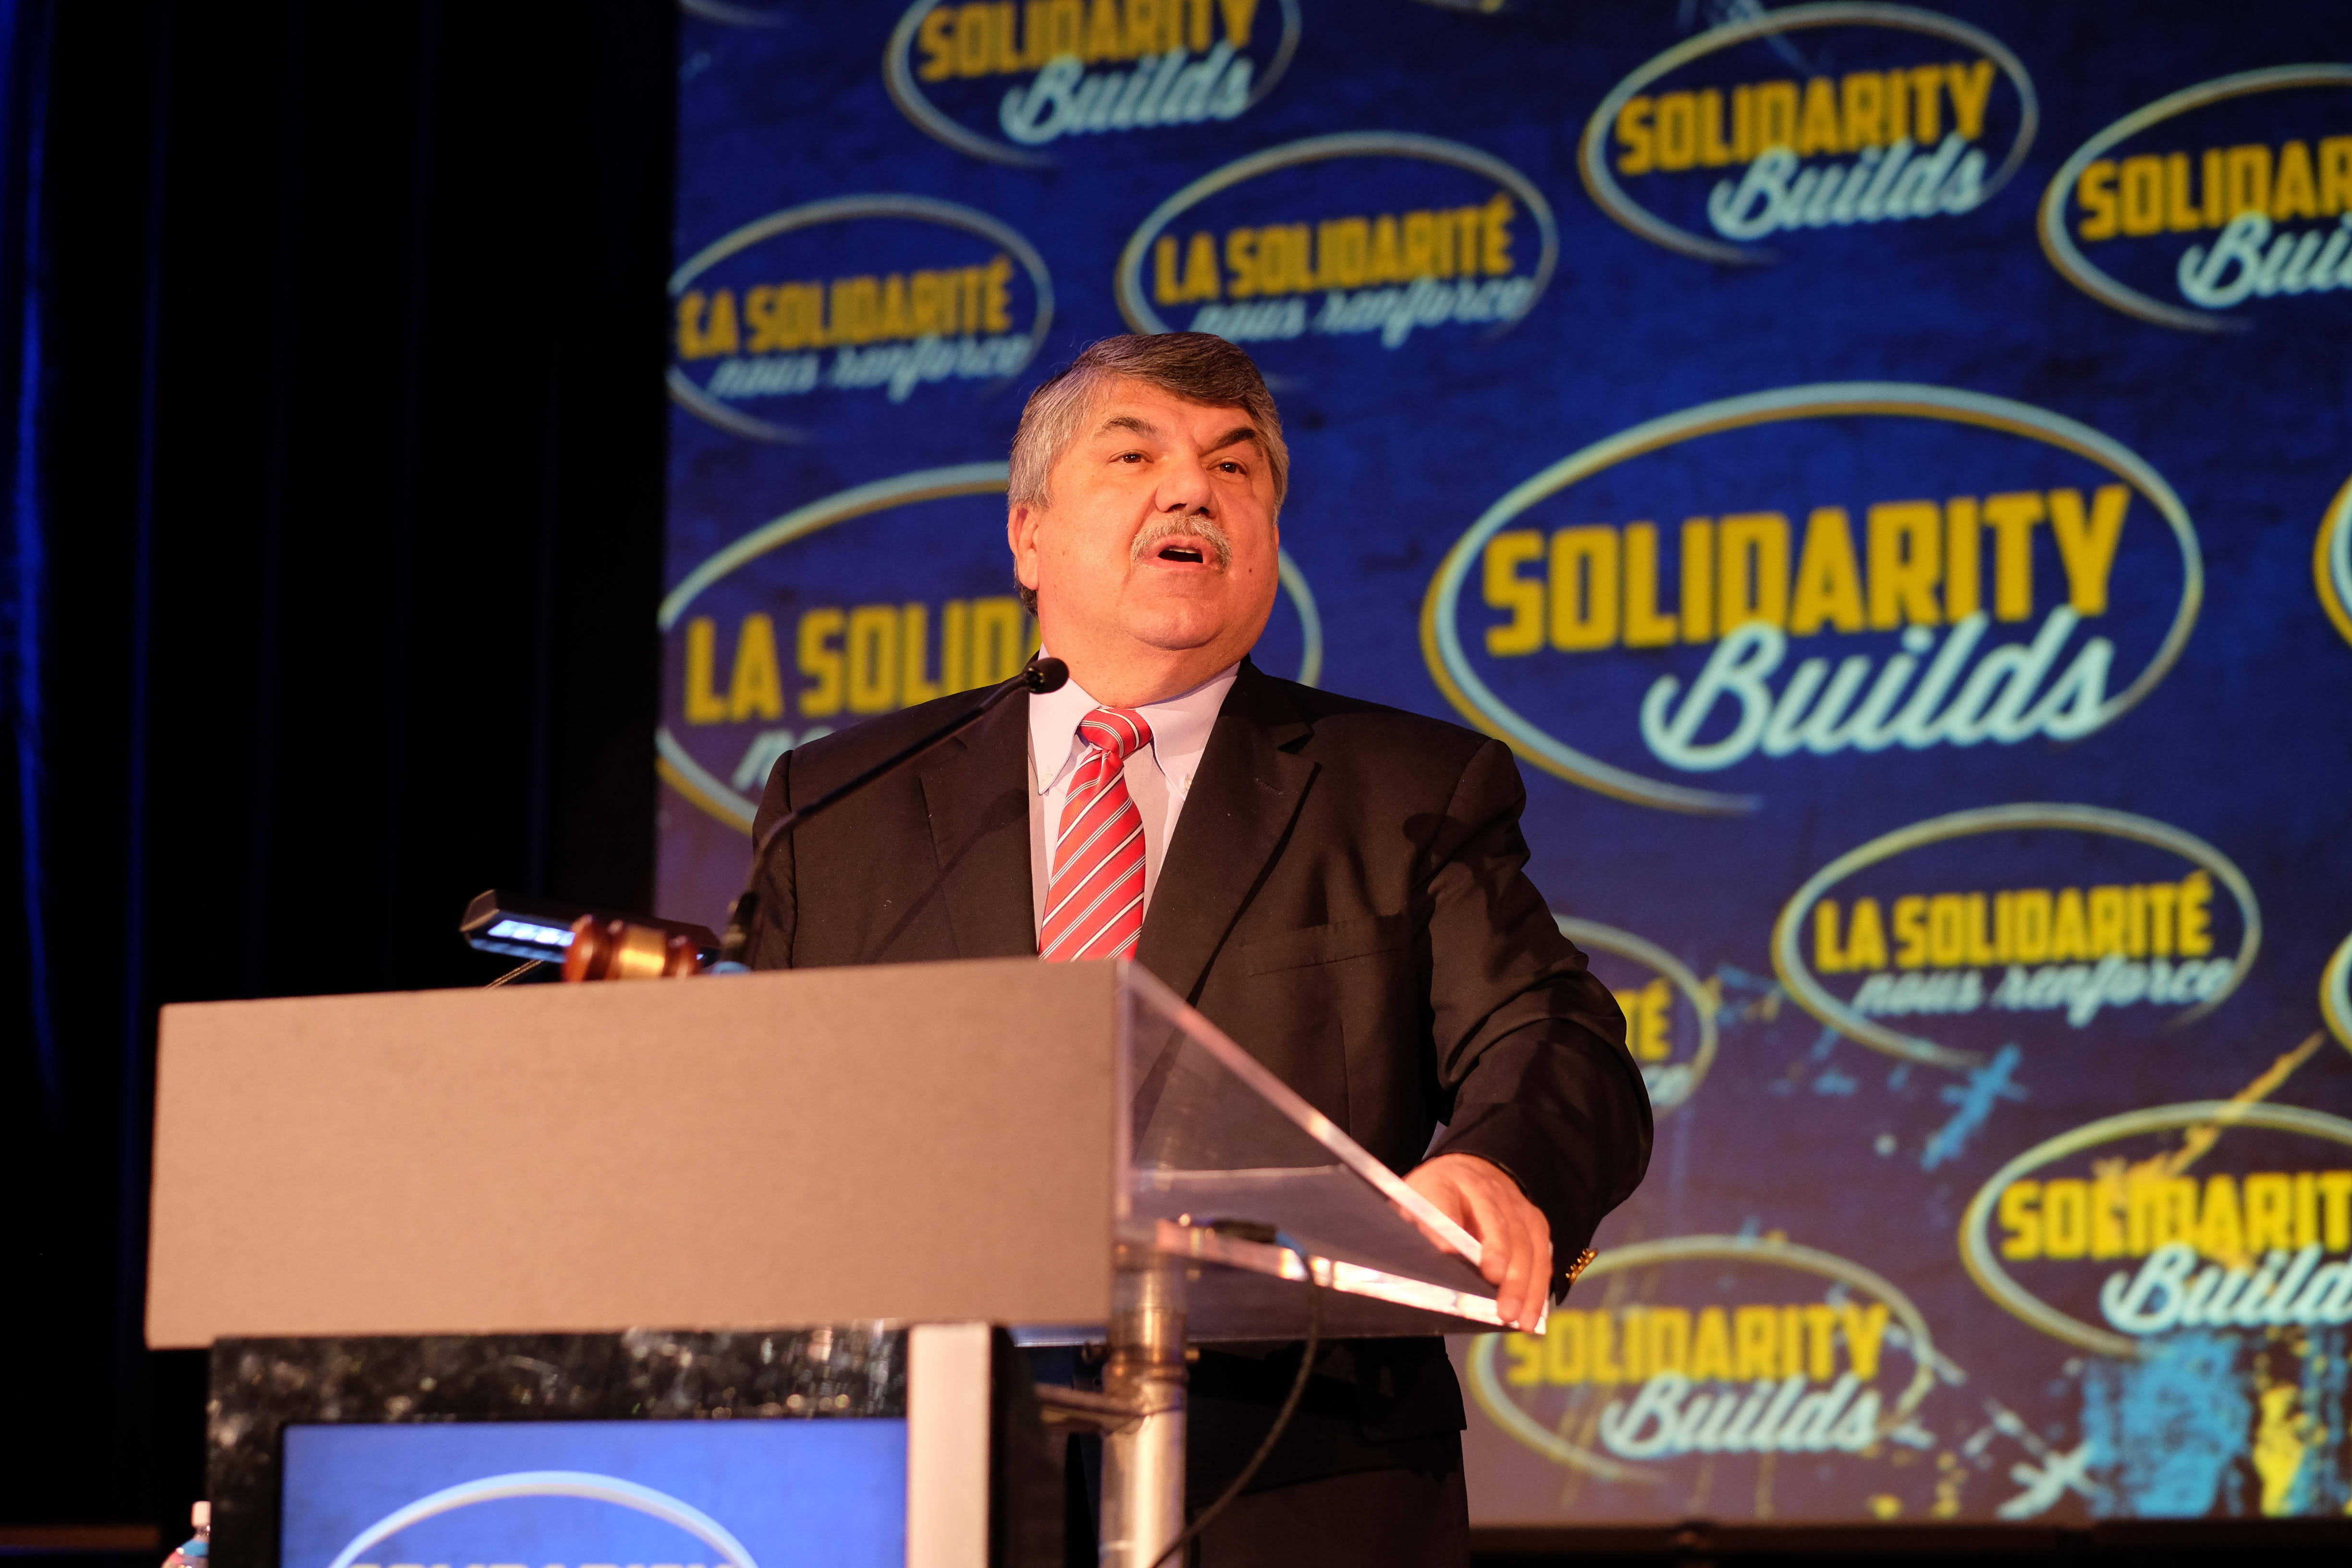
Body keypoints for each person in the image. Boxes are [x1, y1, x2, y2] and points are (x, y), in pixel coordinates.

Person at [745, 332, 1651, 1566]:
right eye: (1138, 455)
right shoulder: (841, 805)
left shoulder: (1402, 790)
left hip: (1291, 1478)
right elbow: (757, 1116)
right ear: (1028, 535)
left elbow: (1553, 1040)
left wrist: (1501, 1166)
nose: (1194, 491)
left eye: (1237, 468)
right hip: (909, 1477)